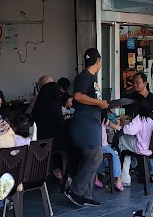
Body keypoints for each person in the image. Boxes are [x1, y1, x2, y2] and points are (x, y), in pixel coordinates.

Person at [65, 48, 108, 208]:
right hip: (84, 124)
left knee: (91, 159)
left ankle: (85, 195)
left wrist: (103, 106)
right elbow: (78, 96)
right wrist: (99, 103)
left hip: (92, 124)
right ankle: (75, 191)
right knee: (95, 157)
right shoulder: (84, 76)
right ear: (98, 61)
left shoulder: (91, 78)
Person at [118, 95, 153, 186]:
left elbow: (129, 131)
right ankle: (130, 169)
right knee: (127, 145)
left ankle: (125, 177)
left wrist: (123, 122)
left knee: (122, 140)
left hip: (142, 149)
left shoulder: (140, 117)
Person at [31, 81, 67, 180]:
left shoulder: (38, 105)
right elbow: (60, 125)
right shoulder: (54, 106)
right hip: (55, 142)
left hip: (40, 140)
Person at [132, 72, 153, 182]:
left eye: (137, 83)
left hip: (150, 135)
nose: (135, 85)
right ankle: (134, 165)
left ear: (145, 83)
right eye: (133, 83)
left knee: (150, 140)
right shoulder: (133, 99)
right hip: (136, 130)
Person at [95, 116, 123, 192]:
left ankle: (96, 178)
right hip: (103, 146)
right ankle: (118, 180)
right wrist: (118, 122)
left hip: (93, 146)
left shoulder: (90, 119)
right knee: (115, 156)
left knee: (96, 158)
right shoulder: (104, 120)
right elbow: (116, 127)